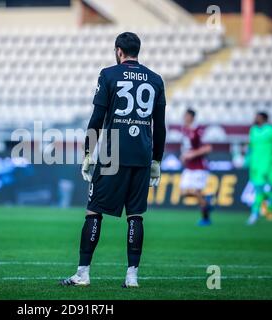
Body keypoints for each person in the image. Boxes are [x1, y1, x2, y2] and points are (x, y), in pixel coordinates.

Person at [61, 32, 166, 288]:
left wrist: (88, 152)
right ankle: (132, 277)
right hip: (142, 153)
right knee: (136, 215)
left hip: (112, 153)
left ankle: (83, 274)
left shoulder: (108, 74)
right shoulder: (155, 79)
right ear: (137, 51)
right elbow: (160, 126)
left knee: (94, 210)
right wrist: (156, 160)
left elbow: (97, 119)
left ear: (119, 51)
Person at [179, 109, 213, 226]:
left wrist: (192, 154)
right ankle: (206, 200)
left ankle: (205, 219)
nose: (184, 117)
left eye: (186, 115)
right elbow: (186, 148)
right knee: (183, 193)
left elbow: (208, 148)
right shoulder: (184, 130)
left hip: (199, 167)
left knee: (197, 192)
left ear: (192, 117)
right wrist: (183, 156)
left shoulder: (199, 130)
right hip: (189, 167)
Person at [246, 111, 272, 225]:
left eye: (258, 117)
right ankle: (255, 213)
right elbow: (250, 147)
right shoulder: (253, 130)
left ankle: (266, 211)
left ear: (264, 118)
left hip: (270, 165)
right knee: (258, 191)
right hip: (256, 166)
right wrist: (247, 160)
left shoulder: (270, 130)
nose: (255, 118)